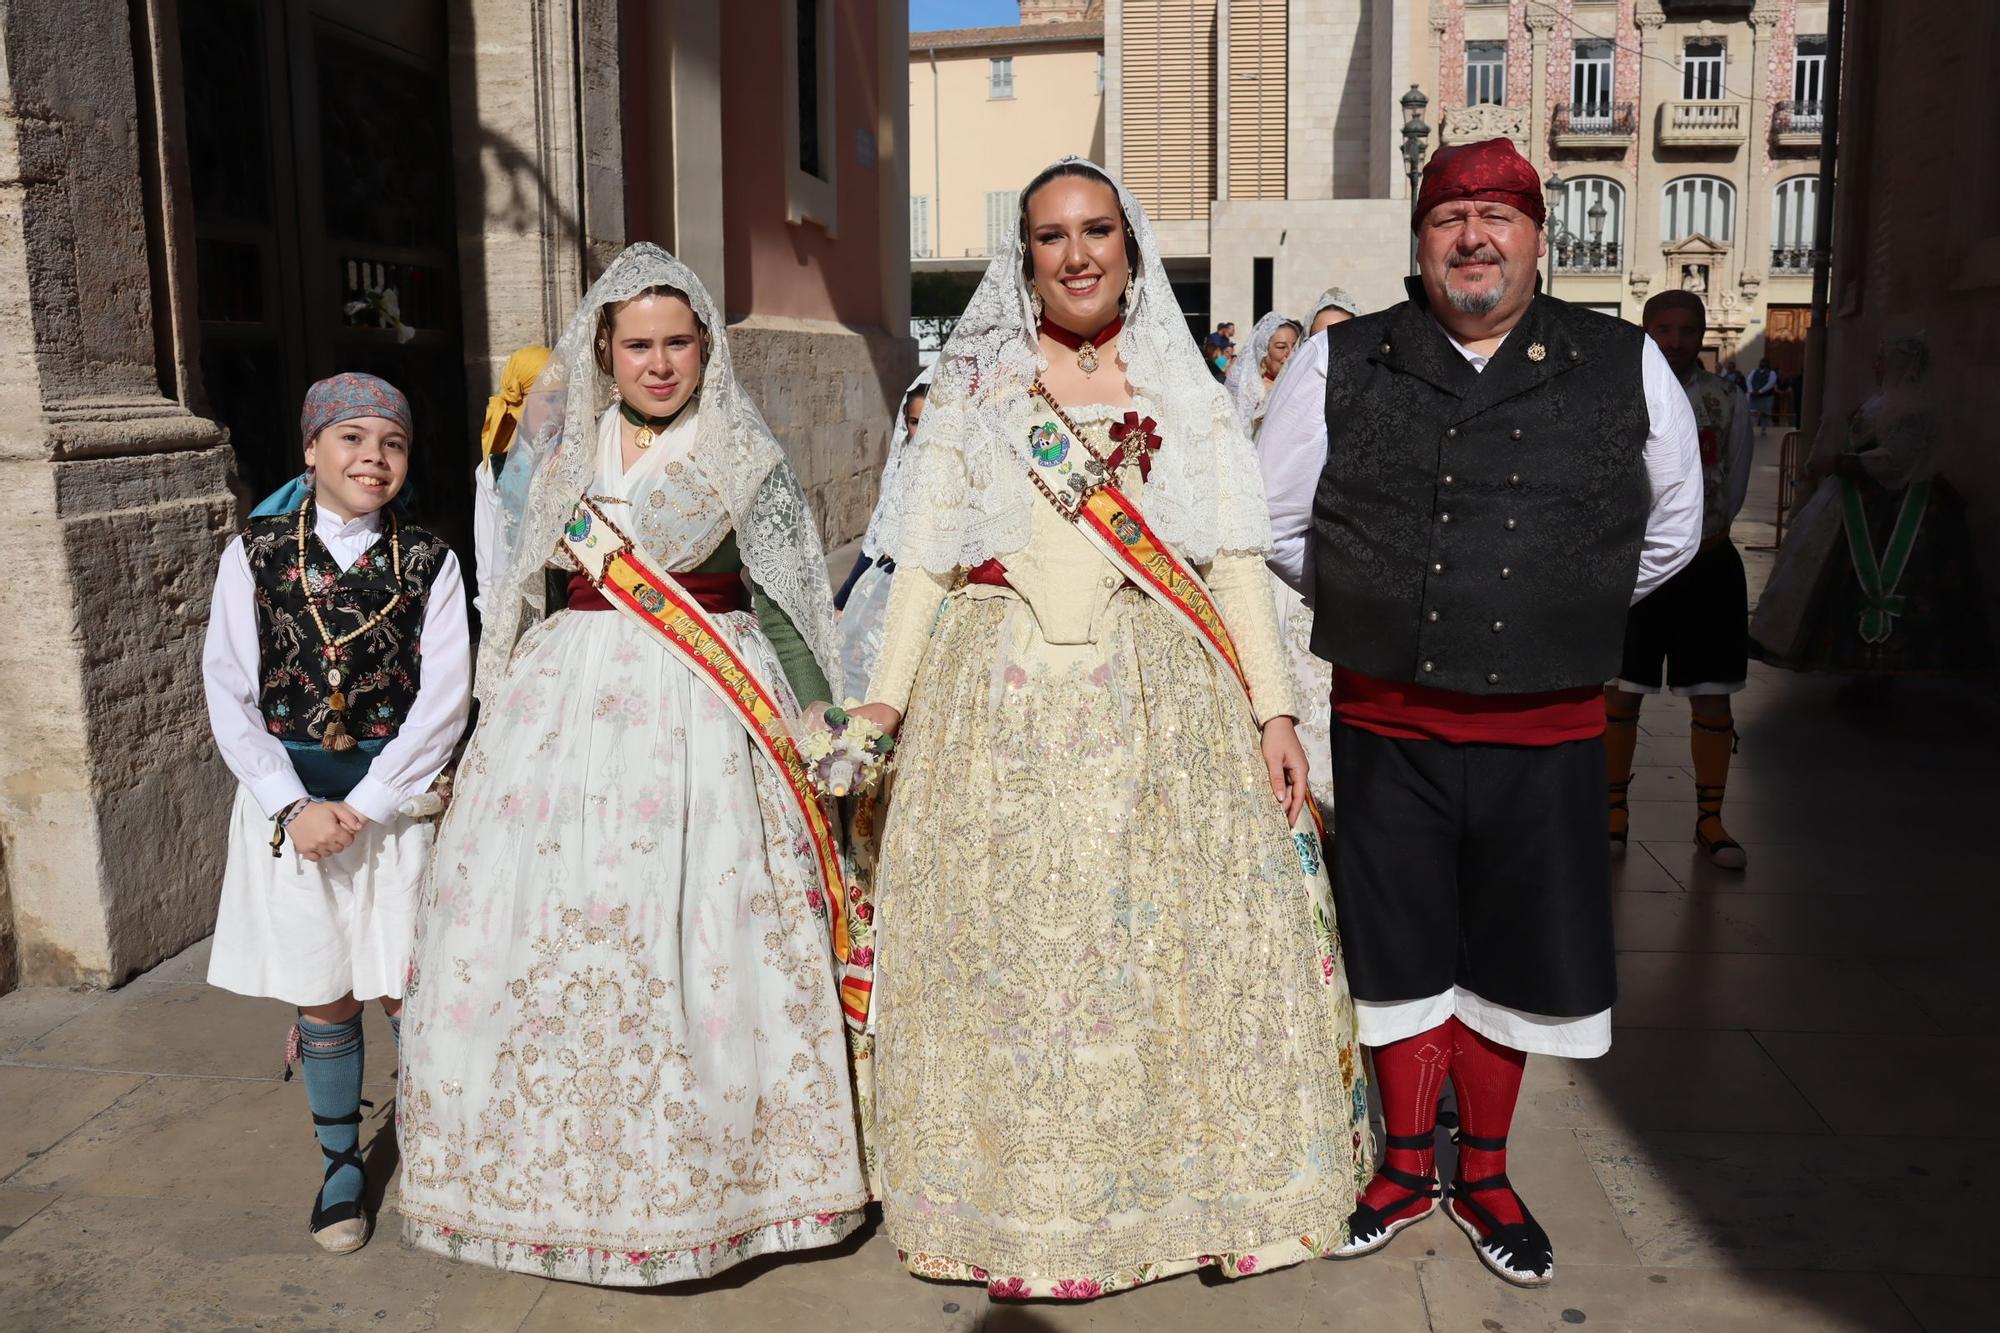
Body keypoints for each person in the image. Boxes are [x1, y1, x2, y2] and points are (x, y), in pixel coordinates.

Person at [847, 157, 1370, 1300]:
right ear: (1022, 260)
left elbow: (1232, 563)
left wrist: (1274, 714)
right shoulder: (980, 399)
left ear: (1129, 248)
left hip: (1157, 700)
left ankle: (1173, 1192)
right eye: (1050, 236)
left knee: (1158, 947)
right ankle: (1023, 1203)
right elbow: (925, 565)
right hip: (1001, 703)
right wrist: (882, 705)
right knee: (1016, 953)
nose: (1076, 254)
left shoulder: (1184, 398)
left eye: (1097, 231)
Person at [1259, 137, 1702, 1288]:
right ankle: (1406, 1164)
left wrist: (1554, 604)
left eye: (1497, 216)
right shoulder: (1338, 361)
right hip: (1387, 721)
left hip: (1544, 725)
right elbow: (1272, 521)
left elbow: (1672, 531)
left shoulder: (1622, 362)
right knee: (1397, 945)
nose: (1472, 238)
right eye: (1449, 216)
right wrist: (1389, 607)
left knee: (1515, 955)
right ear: (1419, 240)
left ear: (1535, 237)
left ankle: (1488, 1170)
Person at [396, 243, 867, 1285]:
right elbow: (520, 578)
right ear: (604, 350)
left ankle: (725, 1185)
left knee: (706, 925)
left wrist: (819, 720)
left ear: (705, 347)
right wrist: (496, 702)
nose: (659, 362)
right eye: (638, 344)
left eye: (677, 343)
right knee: (558, 918)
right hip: (568, 709)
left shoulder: (744, 451)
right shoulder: (562, 445)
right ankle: (543, 1180)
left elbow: (788, 605)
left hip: (708, 704)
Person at [203, 372, 472, 1255]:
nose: (373, 457)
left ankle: (437, 1146)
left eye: (391, 442)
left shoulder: (430, 558)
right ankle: (340, 1162)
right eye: (351, 438)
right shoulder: (254, 551)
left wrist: (362, 805)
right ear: (311, 449)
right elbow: (230, 689)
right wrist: (292, 804)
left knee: (405, 978)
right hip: (291, 809)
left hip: (389, 807)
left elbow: (442, 703)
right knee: (326, 991)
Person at [1751, 330, 1991, 696]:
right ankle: (1859, 667)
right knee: (1843, 588)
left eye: (1884, 358)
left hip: (1896, 511)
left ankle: (1879, 673)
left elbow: (1896, 462)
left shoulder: (1914, 405)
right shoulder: (1883, 400)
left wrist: (1838, 462)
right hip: (1858, 502)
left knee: (1889, 586)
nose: (1876, 364)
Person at [1605, 292, 1755, 869]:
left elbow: (1734, 480)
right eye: (1663, 329)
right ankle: (1612, 811)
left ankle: (1711, 818)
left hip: (1708, 565)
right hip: (1637, 564)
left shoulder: (1727, 400)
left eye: (1687, 331)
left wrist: (1700, 533)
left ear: (1701, 335)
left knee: (1712, 696)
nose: (1675, 341)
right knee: (1620, 691)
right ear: (1646, 331)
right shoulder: (1622, 396)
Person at [834, 369, 931, 691]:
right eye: (915, 422)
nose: (922, 431)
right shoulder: (903, 469)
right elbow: (876, 538)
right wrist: (844, 597)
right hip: (889, 581)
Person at [471, 345, 551, 614]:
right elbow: (490, 560)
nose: (561, 411)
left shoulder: (585, 456)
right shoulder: (495, 470)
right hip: (521, 608)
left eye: (567, 398)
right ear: (523, 403)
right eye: (549, 400)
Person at [1225, 311, 1302, 433]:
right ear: (1264, 352)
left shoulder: (1305, 383)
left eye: (1295, 346)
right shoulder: (1251, 391)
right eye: (1281, 347)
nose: (1290, 353)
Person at [1748, 356, 1779, 427]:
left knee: (1765, 416)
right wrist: (1751, 390)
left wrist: (1760, 391)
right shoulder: (1754, 371)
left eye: (1764, 363)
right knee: (1753, 415)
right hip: (1754, 397)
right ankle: (1754, 430)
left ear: (1767, 364)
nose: (1762, 364)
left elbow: (1770, 384)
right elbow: (1748, 381)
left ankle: (1764, 430)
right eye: (1761, 362)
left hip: (1766, 397)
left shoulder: (1772, 373)